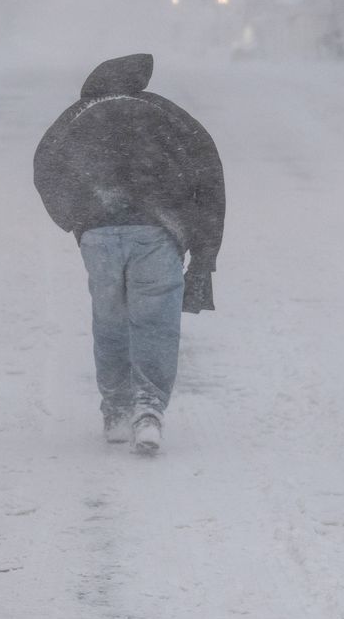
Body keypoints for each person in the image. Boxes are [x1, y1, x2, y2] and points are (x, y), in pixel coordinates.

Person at [33, 54, 225, 454]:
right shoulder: (164, 113)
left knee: (110, 322)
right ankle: (148, 412)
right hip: (157, 232)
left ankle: (116, 411)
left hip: (99, 234)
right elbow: (208, 175)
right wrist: (203, 254)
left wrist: (74, 219)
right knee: (155, 323)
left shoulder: (82, 113)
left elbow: (45, 166)